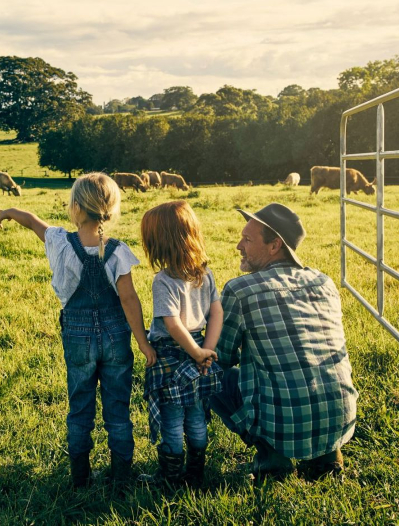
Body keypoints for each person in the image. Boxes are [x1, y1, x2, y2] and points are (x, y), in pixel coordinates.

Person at [0, 172, 156, 488]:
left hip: (77, 336)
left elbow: (32, 222)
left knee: (80, 406)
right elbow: (129, 298)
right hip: (115, 336)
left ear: (76, 207)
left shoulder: (59, 241)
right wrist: (143, 343)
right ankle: (122, 477)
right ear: (111, 208)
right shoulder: (118, 250)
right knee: (118, 409)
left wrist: (10, 213)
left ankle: (80, 478)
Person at [208, 202, 358, 479]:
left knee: (208, 372)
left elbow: (221, 357)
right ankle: (327, 455)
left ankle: (272, 456)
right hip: (341, 419)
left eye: (247, 240)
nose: (239, 246)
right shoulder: (324, 282)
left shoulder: (241, 290)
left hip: (285, 425)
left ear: (274, 245)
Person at [138, 200, 222, 487]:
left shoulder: (163, 280)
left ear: (159, 243)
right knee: (197, 415)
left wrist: (197, 352)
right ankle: (195, 473)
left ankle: (170, 477)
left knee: (172, 420)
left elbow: (172, 325)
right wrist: (205, 350)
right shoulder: (205, 273)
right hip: (199, 350)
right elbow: (216, 312)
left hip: (172, 357)